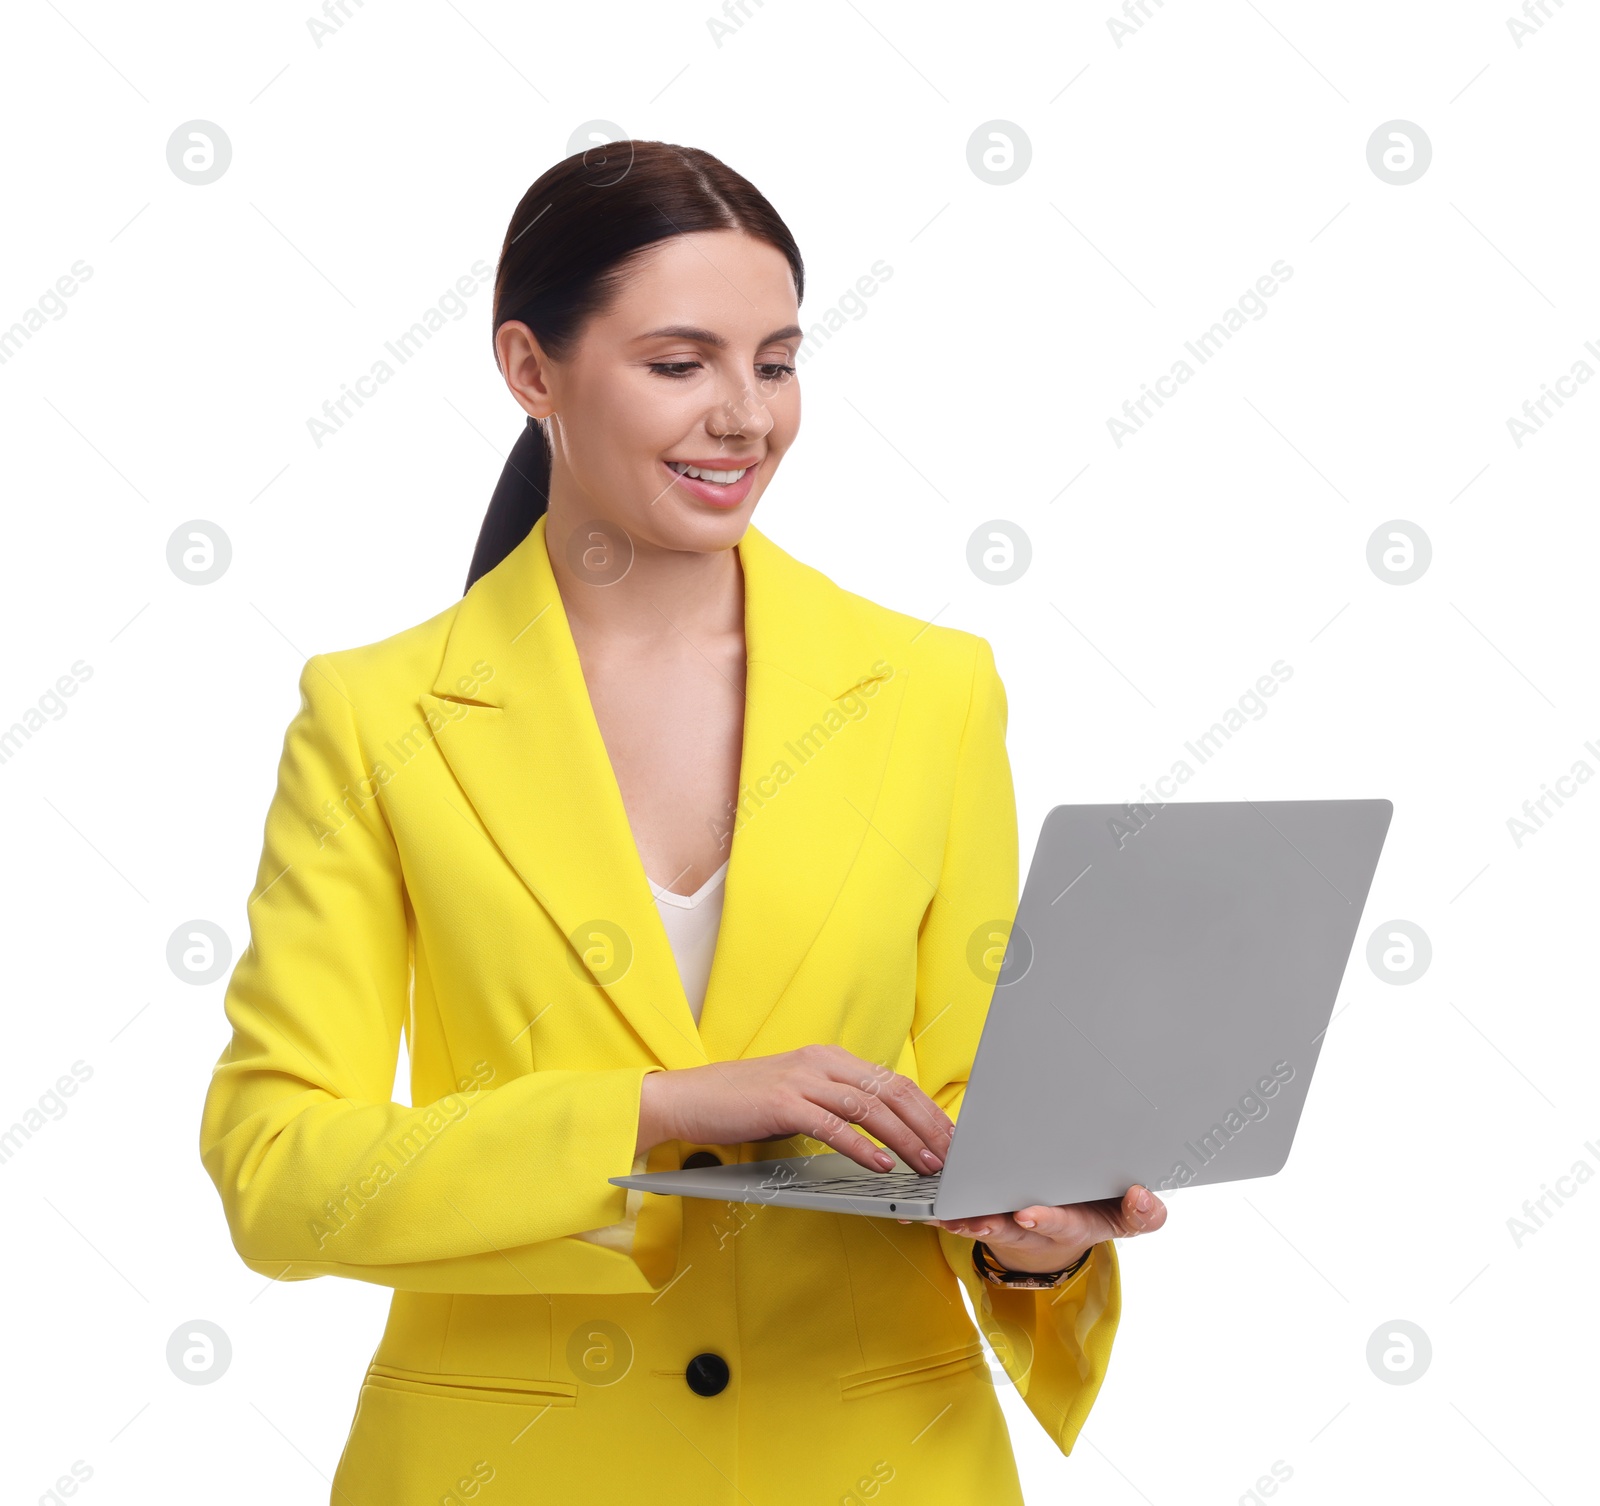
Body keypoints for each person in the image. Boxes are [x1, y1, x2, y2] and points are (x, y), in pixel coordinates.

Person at [199, 139, 1167, 1506]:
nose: (746, 417)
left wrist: (1039, 1242)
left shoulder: (931, 689)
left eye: (775, 362)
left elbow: (971, 1115)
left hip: (875, 1461)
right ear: (531, 369)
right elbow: (280, 1169)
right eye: (680, 363)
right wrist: (653, 1111)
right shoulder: (376, 715)